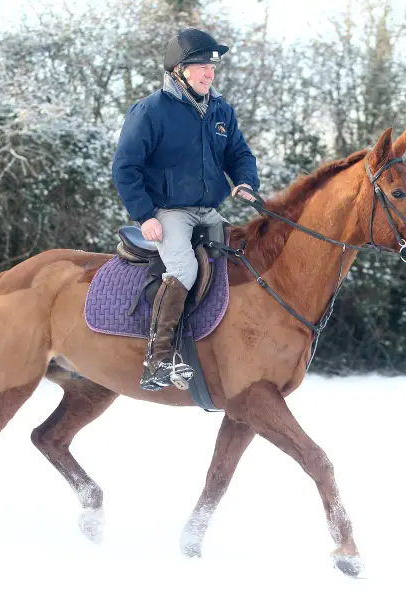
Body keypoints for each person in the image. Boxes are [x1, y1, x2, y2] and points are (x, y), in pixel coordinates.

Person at [112, 27, 261, 391]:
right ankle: (158, 360)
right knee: (184, 267)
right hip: (169, 212)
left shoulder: (221, 109)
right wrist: (145, 215)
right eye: (201, 67)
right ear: (179, 70)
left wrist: (245, 181)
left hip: (209, 210)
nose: (210, 74)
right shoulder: (150, 111)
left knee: (243, 258)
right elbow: (125, 167)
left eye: (212, 68)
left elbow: (239, 154)